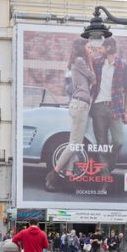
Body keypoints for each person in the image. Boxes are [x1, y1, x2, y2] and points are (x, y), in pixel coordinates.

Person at [45, 38, 96, 191]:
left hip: (80, 104)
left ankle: (68, 175)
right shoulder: (80, 60)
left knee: (75, 144)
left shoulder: (78, 61)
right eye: (88, 46)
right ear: (82, 48)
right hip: (80, 104)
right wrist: (91, 59)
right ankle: (52, 176)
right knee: (74, 144)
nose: (90, 48)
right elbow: (93, 78)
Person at [89, 36, 127, 176]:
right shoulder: (96, 62)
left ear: (108, 48)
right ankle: (104, 176)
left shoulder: (123, 65)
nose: (99, 49)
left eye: (101, 47)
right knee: (102, 143)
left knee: (118, 141)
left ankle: (110, 165)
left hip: (115, 108)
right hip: (98, 107)